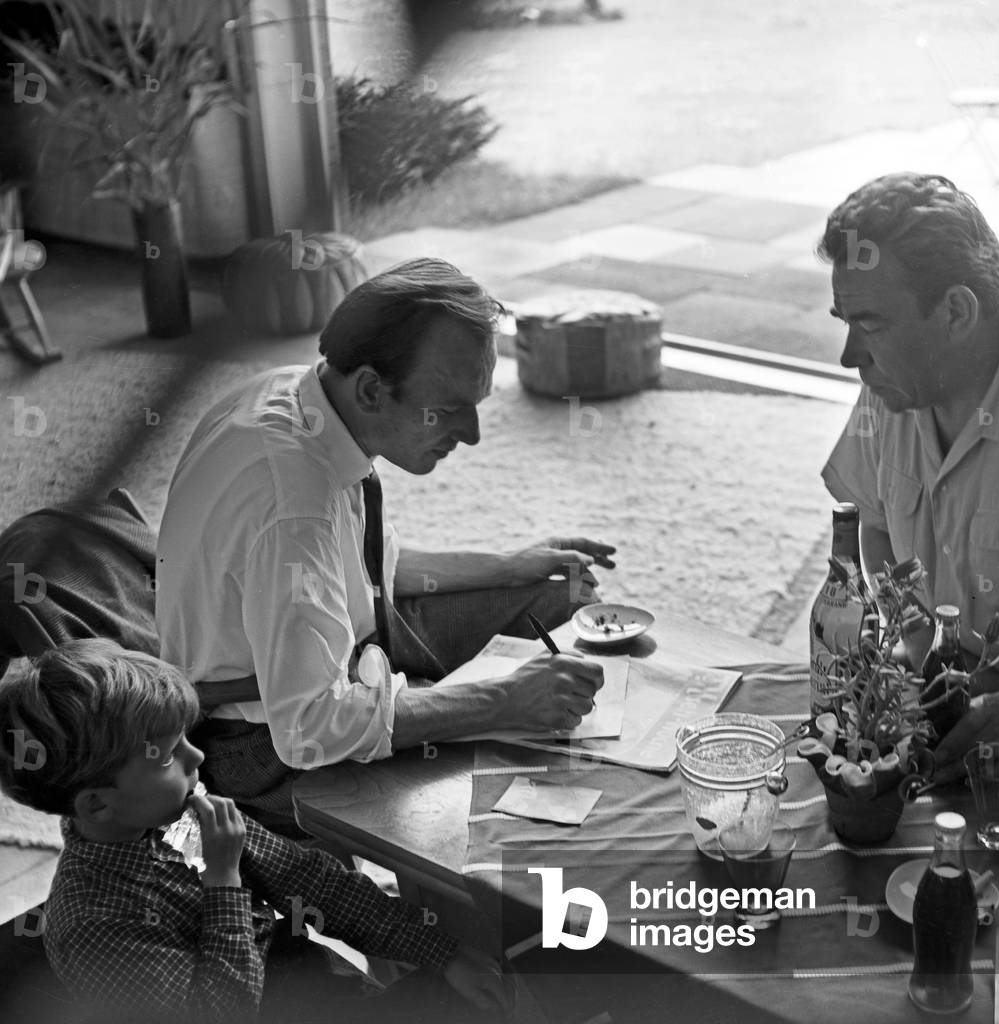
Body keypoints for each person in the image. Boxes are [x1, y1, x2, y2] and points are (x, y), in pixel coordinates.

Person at [156, 257, 610, 831]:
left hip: (343, 646)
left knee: (556, 592)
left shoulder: (299, 393)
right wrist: (504, 699)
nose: (472, 435)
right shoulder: (295, 505)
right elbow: (310, 727)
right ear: (371, 388)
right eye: (447, 410)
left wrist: (512, 564)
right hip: (255, 739)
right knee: (468, 803)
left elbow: (370, 566)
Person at [0, 639, 513, 1023]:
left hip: (316, 988)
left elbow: (313, 883)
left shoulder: (181, 818)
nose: (196, 756)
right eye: (166, 756)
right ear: (97, 804)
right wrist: (222, 880)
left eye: (185, 738)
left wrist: (443, 954)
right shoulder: (96, 927)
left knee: (500, 985)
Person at [817, 172, 999, 777]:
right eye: (844, 322)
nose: (849, 357)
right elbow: (875, 524)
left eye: (872, 326)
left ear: (957, 312)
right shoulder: (895, 387)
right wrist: (914, 644)